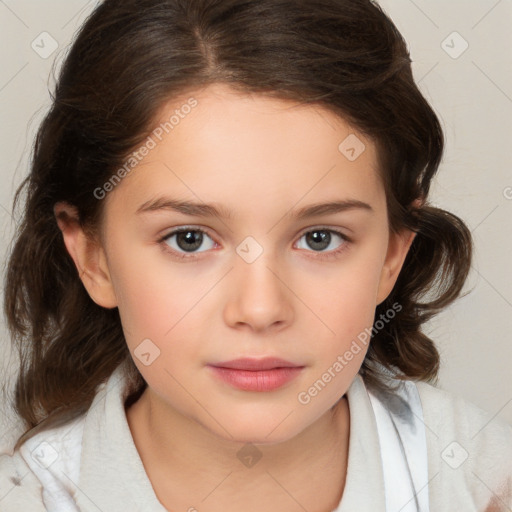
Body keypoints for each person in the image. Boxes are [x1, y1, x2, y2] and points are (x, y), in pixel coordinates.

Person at [0, 0, 511, 510]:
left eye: (319, 238)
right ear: (93, 256)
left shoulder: (485, 482)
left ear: (392, 255)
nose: (261, 309)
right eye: (189, 239)